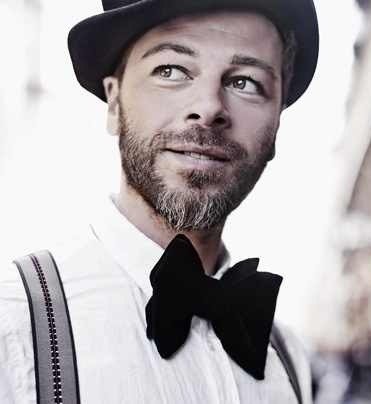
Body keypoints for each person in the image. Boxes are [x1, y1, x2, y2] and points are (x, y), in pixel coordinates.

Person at [0, 0, 319, 403]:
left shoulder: (288, 359)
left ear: (277, 124)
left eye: (245, 82)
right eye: (171, 71)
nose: (209, 107)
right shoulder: (14, 325)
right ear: (114, 101)